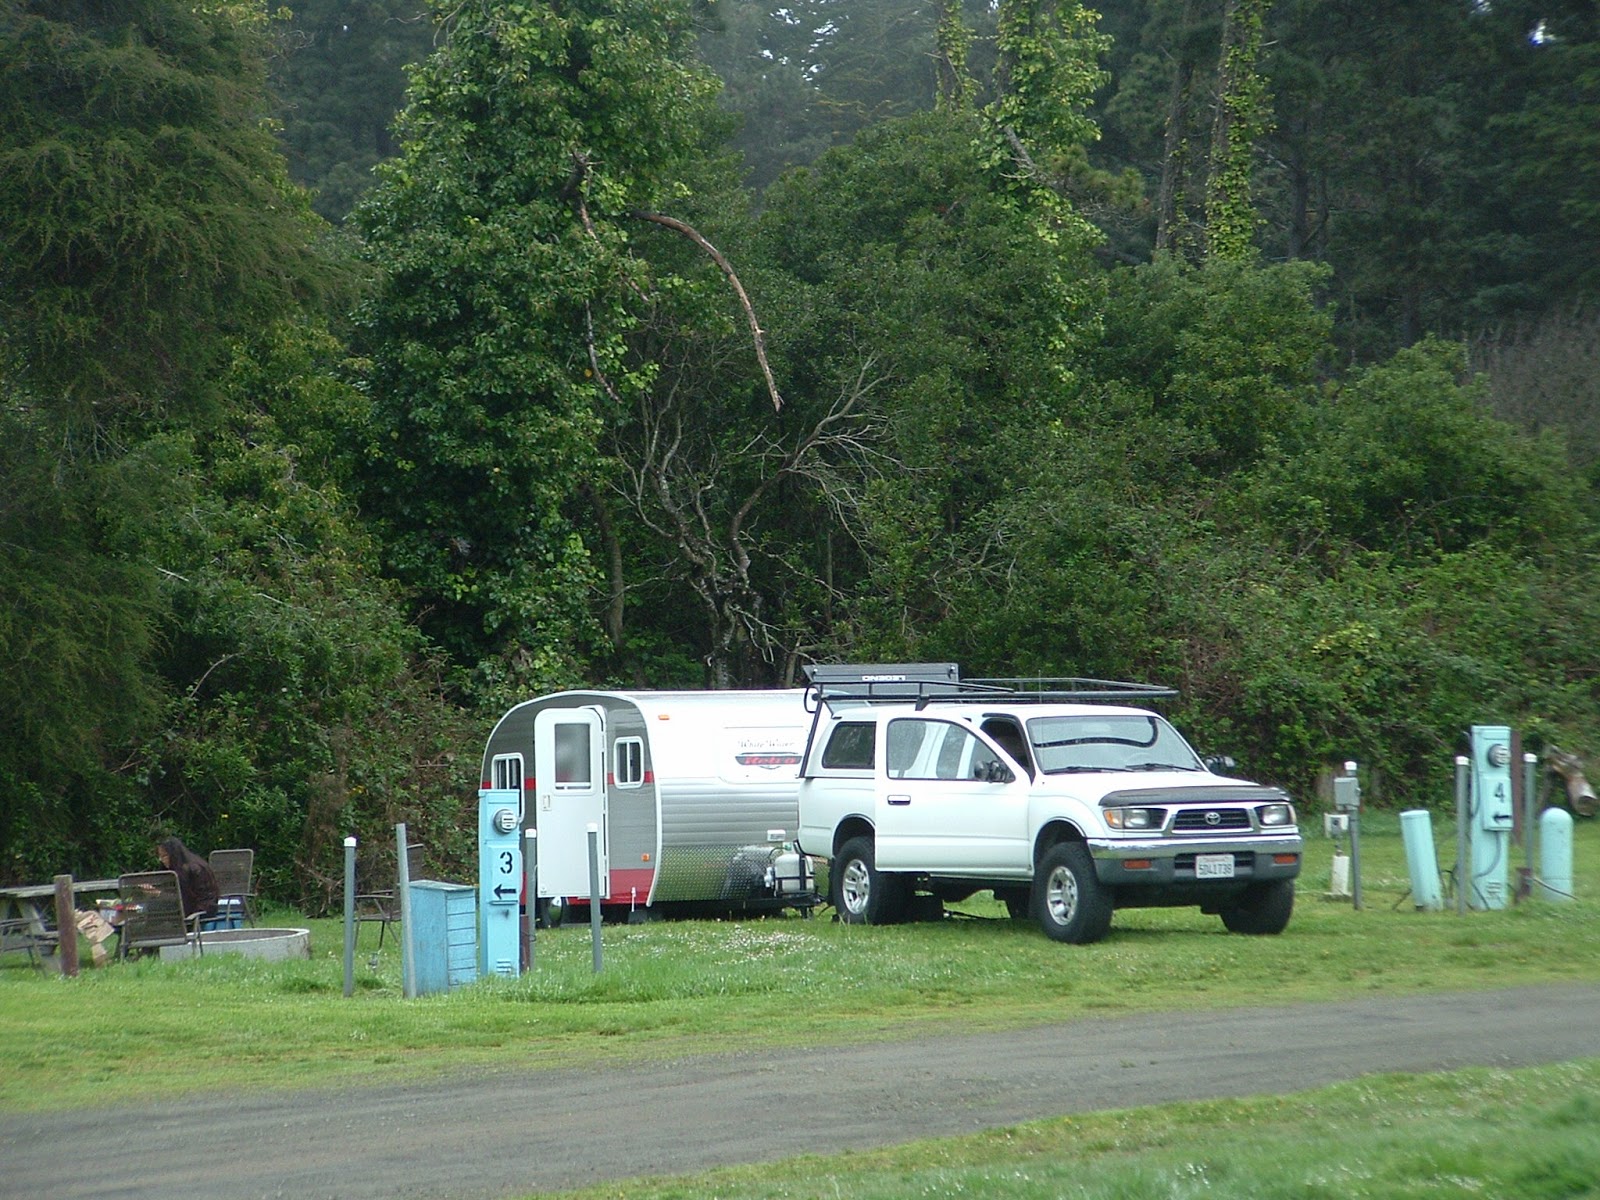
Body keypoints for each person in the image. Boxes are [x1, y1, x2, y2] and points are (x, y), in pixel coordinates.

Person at [156, 836, 220, 920]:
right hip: (190, 910)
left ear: (173, 855)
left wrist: (159, 894)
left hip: (198, 913)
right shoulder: (177, 868)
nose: (161, 860)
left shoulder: (192, 870)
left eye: (164, 856)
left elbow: (185, 899)